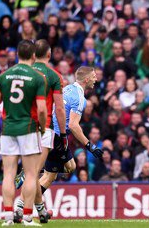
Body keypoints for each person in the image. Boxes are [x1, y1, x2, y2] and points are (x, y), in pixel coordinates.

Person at [0, 40, 47, 226]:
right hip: (29, 129)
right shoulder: (38, 77)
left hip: (7, 129)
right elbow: (42, 109)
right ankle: (28, 217)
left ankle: (7, 216)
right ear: (33, 56)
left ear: (17, 55)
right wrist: (43, 127)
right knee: (31, 174)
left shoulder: (4, 76)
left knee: (8, 174)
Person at [14, 40, 68, 223]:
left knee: (33, 172)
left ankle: (41, 210)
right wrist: (63, 134)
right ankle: (20, 207)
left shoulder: (21, 73)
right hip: (43, 128)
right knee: (34, 172)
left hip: (21, 126)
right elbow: (59, 109)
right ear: (49, 54)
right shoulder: (54, 76)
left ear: (34, 54)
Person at [38, 67, 102, 205]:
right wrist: (89, 146)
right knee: (49, 177)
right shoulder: (79, 98)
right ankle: (22, 205)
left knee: (71, 166)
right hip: (57, 136)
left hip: (50, 131)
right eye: (94, 76)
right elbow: (73, 125)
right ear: (86, 79)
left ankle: (37, 169)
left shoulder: (67, 88)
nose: (96, 79)